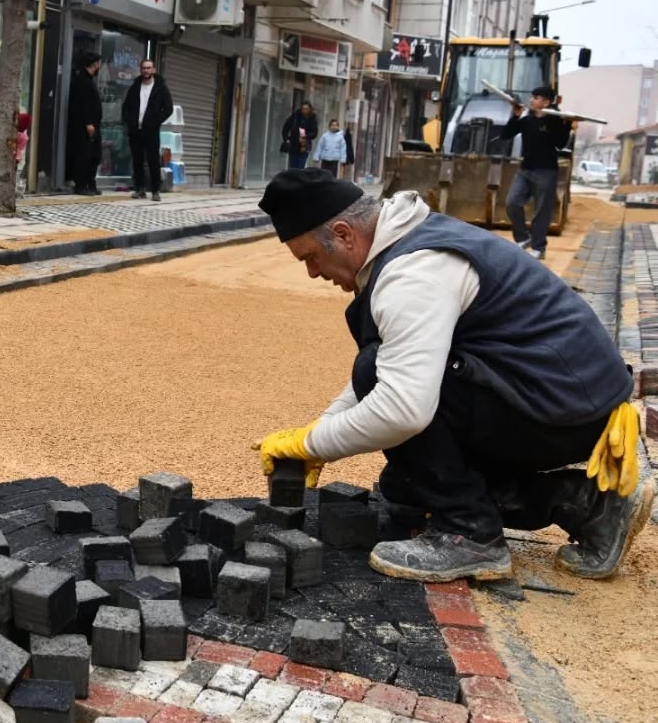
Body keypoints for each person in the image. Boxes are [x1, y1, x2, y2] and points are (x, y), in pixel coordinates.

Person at [252, 168, 651, 583]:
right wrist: (323, 428)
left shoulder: (414, 272)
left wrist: (310, 442)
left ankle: (470, 536)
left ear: (344, 233)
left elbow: (401, 407)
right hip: (559, 396)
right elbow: (400, 361)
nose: (313, 273)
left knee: (395, 408)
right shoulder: (411, 241)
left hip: (561, 409)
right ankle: (589, 504)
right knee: (407, 489)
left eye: (310, 258)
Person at [501, 85, 567, 260]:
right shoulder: (527, 120)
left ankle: (539, 247)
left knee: (541, 211)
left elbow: (561, 143)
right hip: (525, 170)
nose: (532, 100)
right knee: (512, 202)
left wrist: (568, 125)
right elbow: (506, 134)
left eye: (536, 98)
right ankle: (523, 238)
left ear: (546, 102)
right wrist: (515, 115)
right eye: (532, 97)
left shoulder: (555, 121)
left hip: (546, 171)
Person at [121, 59, 173, 202]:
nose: (146, 71)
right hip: (135, 130)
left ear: (154, 70)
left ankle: (155, 190)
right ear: (141, 70)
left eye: (149, 68)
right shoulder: (135, 86)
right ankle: (140, 189)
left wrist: (156, 121)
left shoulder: (160, 87)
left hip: (151, 130)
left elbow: (169, 108)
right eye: (144, 68)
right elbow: (126, 107)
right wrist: (129, 121)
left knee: (153, 161)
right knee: (137, 161)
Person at [68, 51, 104, 196]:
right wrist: (88, 122)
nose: (100, 65)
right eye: (99, 63)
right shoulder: (82, 79)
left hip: (93, 124)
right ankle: (81, 185)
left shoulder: (89, 79)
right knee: (84, 155)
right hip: (85, 126)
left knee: (95, 155)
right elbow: (83, 104)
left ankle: (90, 183)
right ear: (95, 64)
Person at [281, 102, 318, 170]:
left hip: (305, 145)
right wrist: (285, 137)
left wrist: (306, 136)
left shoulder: (312, 119)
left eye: (307, 109)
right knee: (293, 166)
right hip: (294, 144)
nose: (305, 111)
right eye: (303, 109)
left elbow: (314, 132)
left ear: (310, 109)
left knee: (301, 166)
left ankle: (299, 179)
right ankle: (293, 179)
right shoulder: (295, 116)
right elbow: (286, 125)